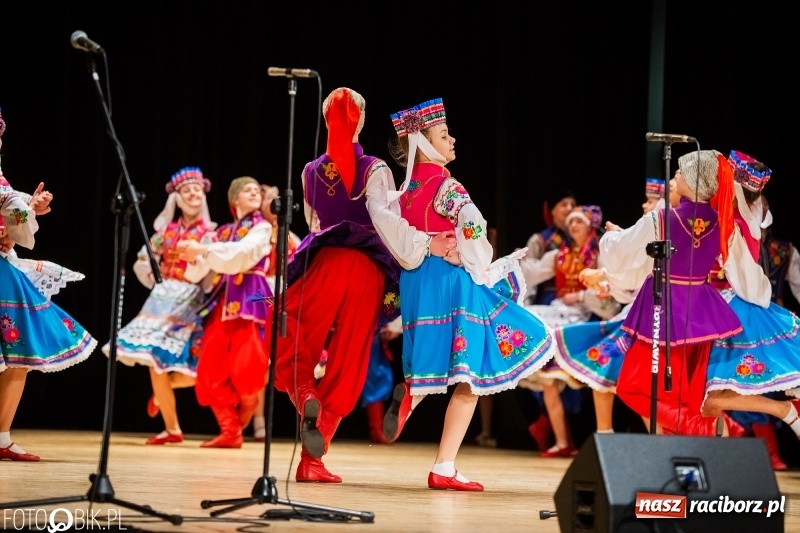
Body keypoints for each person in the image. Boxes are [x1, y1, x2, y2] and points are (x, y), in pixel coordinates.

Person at [264, 87, 456, 484]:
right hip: (367, 272)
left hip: (326, 263)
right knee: (349, 361)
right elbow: (384, 222)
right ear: (362, 121)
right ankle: (311, 462)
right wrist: (423, 244)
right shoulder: (376, 168)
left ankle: (305, 395)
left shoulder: (309, 170)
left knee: (295, 335)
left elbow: (316, 227)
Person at [383, 97, 555, 490]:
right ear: (425, 144)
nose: (453, 139)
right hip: (452, 280)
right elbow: (473, 224)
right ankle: (444, 466)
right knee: (470, 376)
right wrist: (477, 259)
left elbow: (396, 237)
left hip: (416, 283)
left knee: (430, 361)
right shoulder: (447, 185)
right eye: (444, 135)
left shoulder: (403, 192)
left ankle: (410, 397)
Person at [0, 109, 97, 461]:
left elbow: (13, 208)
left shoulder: (0, 181)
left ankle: (2, 437)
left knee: (18, 355)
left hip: (3, 272)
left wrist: (30, 206)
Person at [103, 167, 216, 445]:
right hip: (164, 299)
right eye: (187, 190)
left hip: (192, 301)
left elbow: (213, 271)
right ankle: (172, 428)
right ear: (176, 198)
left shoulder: (211, 233)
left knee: (201, 368)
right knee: (156, 364)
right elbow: (143, 260)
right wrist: (154, 276)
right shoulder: (165, 232)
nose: (193, 194)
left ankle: (161, 392)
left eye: (197, 189)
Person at [518, 204, 620, 457]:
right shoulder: (559, 255)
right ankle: (563, 443)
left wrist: (581, 295)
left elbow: (611, 299)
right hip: (560, 315)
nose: (573, 226)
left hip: (587, 322)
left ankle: (604, 445)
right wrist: (511, 265)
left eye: (579, 222)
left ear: (590, 227)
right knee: (547, 379)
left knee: (600, 385)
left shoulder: (599, 255)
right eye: (571, 222)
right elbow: (531, 273)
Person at [178, 176, 272, 448]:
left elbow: (242, 255)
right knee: (210, 369)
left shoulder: (262, 228)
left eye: (257, 189)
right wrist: (192, 255)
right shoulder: (219, 234)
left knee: (247, 369)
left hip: (249, 303)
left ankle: (243, 418)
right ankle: (230, 431)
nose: (254, 192)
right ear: (234, 199)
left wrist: (202, 251)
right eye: (247, 190)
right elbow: (196, 272)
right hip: (221, 305)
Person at [251, 183, 301, 443]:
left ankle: (305, 416)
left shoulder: (288, 234)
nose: (274, 201)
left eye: (277, 197)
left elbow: (303, 256)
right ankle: (256, 419)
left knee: (282, 359)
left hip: (282, 296)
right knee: (259, 363)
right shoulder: (255, 230)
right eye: (269, 197)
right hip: (258, 296)